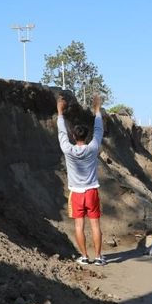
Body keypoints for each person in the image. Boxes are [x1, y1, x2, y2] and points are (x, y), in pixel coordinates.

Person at [56, 93, 106, 265]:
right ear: (86, 136)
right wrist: (97, 110)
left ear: (74, 136)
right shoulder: (93, 147)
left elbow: (61, 132)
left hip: (76, 193)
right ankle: (99, 258)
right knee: (95, 226)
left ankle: (84, 257)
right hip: (91, 191)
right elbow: (99, 130)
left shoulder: (68, 150)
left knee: (79, 226)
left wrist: (60, 113)